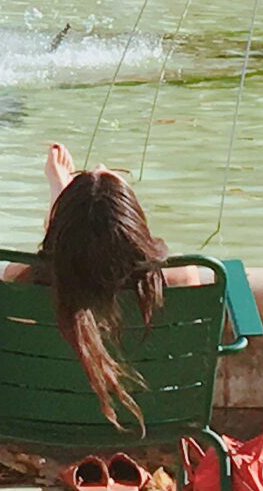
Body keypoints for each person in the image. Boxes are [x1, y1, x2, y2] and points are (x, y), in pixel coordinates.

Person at [17, 142, 204, 425]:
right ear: (132, 224)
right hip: (155, 419)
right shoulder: (182, 276)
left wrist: (60, 194)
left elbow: (62, 262)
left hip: (47, 417)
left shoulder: (21, 278)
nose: (102, 166)